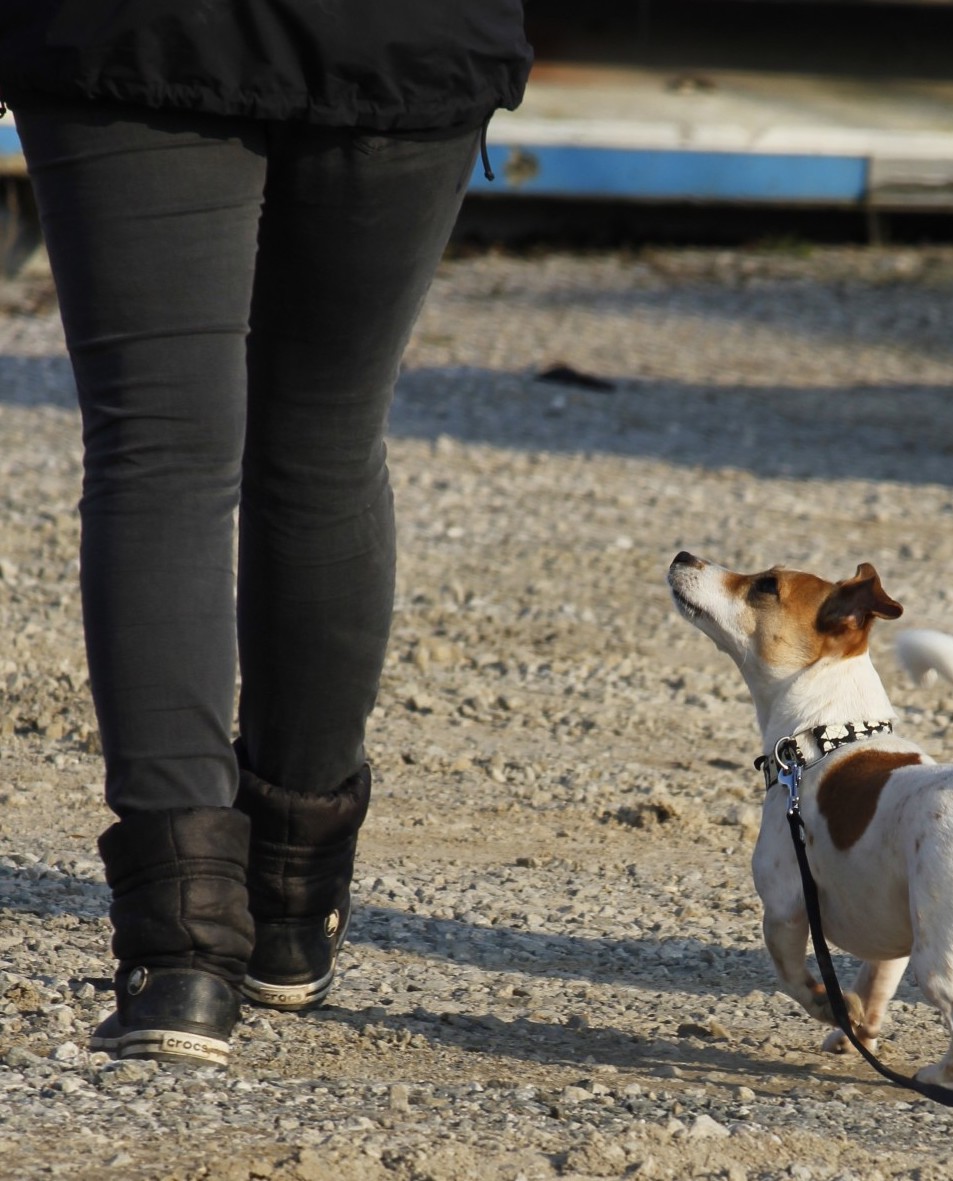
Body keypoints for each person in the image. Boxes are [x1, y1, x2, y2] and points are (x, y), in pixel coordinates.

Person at [0, 2, 531, 1068]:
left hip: (131, 32)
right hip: (396, 32)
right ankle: (286, 906)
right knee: (323, 440)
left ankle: (182, 953)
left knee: (159, 453)